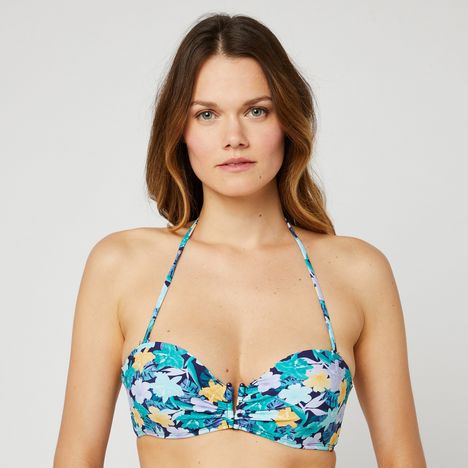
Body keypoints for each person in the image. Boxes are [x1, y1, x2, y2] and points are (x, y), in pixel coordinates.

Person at [53, 13, 427, 468]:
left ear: (287, 121)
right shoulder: (121, 265)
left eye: (256, 111)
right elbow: (76, 457)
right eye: (207, 114)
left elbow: (402, 458)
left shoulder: (358, 272)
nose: (234, 138)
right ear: (180, 130)